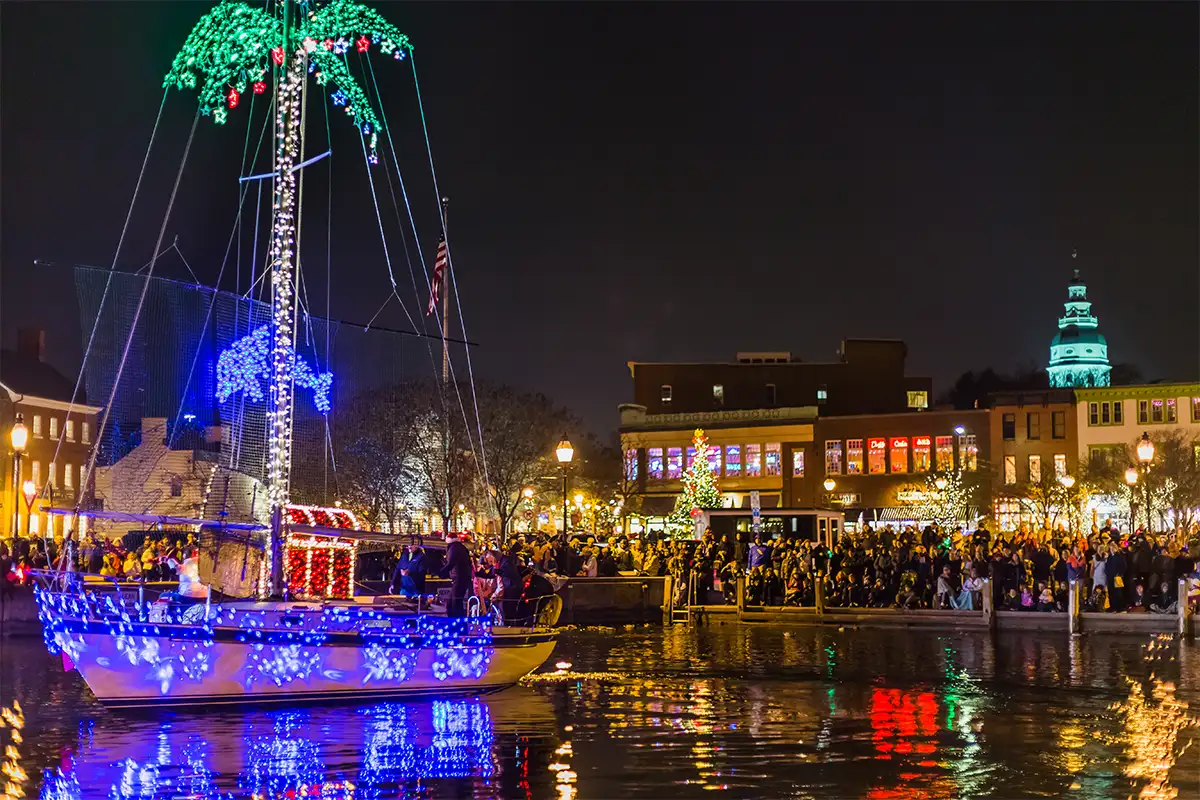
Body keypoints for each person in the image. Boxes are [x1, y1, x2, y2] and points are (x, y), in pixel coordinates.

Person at [440, 531, 474, 617]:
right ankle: (455, 618)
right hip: (461, 576)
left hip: (460, 577)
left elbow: (451, 563)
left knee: (455, 600)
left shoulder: (454, 548)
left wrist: (441, 572)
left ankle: (457, 619)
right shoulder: (458, 547)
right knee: (453, 600)